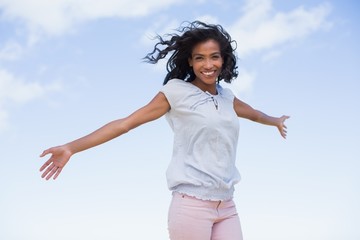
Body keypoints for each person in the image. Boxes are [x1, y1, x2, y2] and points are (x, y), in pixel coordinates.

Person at [39, 21, 289, 240]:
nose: (208, 64)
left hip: (227, 205)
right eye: (199, 58)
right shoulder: (176, 92)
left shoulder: (227, 97)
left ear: (223, 59)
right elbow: (126, 123)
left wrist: (275, 120)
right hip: (191, 205)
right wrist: (72, 147)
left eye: (214, 56)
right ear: (190, 61)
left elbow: (254, 114)